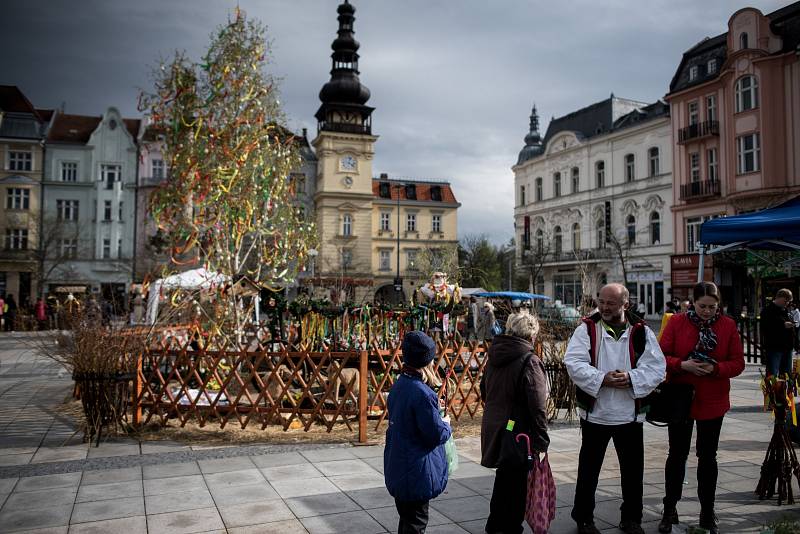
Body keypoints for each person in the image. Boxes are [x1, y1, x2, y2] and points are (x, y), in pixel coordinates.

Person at [564, 283, 665, 534]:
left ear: (625, 304)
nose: (605, 307)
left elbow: (657, 367)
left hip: (629, 415)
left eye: (611, 303)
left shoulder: (641, 331)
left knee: (632, 473)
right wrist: (601, 378)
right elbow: (573, 362)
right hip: (595, 414)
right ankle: (584, 518)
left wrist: (630, 378)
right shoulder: (587, 329)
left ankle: (632, 519)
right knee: (589, 471)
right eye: (602, 301)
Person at [657, 282, 744, 534]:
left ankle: (707, 511)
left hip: (713, 399)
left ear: (719, 306)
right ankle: (669, 509)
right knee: (677, 455)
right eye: (702, 306)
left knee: (707, 457)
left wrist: (716, 368)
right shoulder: (677, 322)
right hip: (681, 398)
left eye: (712, 307)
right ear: (692, 303)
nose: (707, 311)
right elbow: (660, 356)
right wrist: (682, 365)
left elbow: (737, 362)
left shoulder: (727, 325)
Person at [480, 311, 549, 534]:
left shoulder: (495, 355)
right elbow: (538, 406)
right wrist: (541, 440)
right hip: (518, 432)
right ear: (532, 336)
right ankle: (510, 527)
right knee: (517, 483)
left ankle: (495, 524)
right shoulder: (529, 361)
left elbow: (484, 389)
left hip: (497, 426)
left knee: (504, 478)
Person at [384, 331, 452, 534]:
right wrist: (446, 424)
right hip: (416, 471)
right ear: (428, 360)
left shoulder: (400, 385)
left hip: (399, 466)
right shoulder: (423, 393)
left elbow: (409, 416)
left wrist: (431, 406)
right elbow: (435, 434)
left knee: (407, 520)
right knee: (416, 523)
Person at [760, 288, 795, 376]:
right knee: (773, 375)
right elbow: (766, 327)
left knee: (787, 375)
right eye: (786, 301)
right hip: (774, 347)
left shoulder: (785, 310)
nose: (787, 303)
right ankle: (773, 390)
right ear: (780, 298)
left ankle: (785, 390)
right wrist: (783, 325)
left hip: (787, 347)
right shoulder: (767, 311)